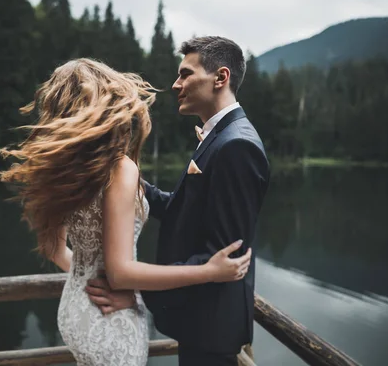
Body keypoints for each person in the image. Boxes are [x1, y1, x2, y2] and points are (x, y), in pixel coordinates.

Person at [0, 58, 252, 366]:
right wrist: (208, 272)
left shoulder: (64, 171)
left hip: (76, 308)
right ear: (107, 104)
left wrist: (87, 278)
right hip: (110, 318)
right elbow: (120, 273)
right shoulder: (119, 169)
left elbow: (54, 249)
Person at [86, 37, 270, 365]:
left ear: (220, 78)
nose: (176, 84)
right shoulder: (218, 135)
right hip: (200, 322)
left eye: (185, 74)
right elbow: (183, 208)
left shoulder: (236, 145)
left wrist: (138, 292)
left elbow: (224, 256)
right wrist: (126, 179)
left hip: (211, 329)